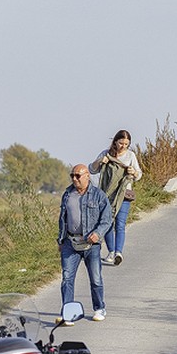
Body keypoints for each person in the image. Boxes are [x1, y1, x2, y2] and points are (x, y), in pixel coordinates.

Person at [58, 164, 112, 322]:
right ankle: (68, 313)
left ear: (87, 176)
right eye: (72, 176)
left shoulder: (98, 195)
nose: (74, 179)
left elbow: (107, 219)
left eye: (78, 176)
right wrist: (60, 240)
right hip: (70, 242)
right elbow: (62, 219)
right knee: (67, 278)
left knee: (95, 278)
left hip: (91, 244)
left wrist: (98, 233)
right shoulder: (67, 194)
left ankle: (99, 308)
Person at [89, 129, 142, 266]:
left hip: (123, 195)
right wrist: (101, 161)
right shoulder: (106, 154)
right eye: (121, 143)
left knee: (120, 223)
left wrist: (133, 172)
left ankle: (118, 252)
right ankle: (111, 252)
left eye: (126, 144)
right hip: (106, 195)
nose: (123, 146)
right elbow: (92, 169)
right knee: (107, 223)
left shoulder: (131, 156)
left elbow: (139, 175)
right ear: (115, 141)